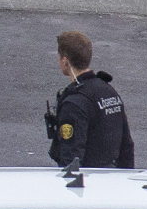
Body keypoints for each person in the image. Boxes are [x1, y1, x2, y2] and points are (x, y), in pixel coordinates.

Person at [45, 30, 134, 169]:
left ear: (64, 61)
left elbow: (72, 158)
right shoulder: (108, 91)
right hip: (112, 178)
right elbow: (126, 145)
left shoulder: (74, 103)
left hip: (87, 182)